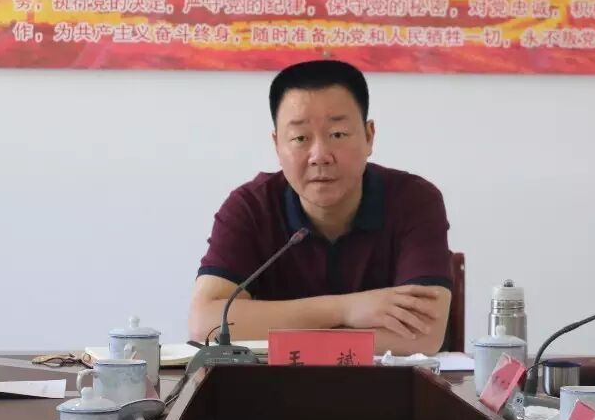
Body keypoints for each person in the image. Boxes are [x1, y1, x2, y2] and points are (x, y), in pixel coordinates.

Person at [188, 60, 453, 355]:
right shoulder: (250, 207)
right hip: (271, 383)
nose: (320, 155)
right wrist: (347, 309)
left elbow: (422, 336)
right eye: (300, 138)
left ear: (369, 136)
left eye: (337, 134)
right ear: (277, 144)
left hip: (386, 384)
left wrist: (275, 332)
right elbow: (206, 324)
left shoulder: (414, 200)